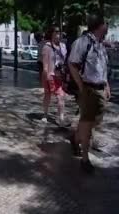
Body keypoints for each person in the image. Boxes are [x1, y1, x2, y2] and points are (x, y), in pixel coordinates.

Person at [68, 14, 111, 173]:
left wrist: (106, 85)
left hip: (100, 88)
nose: (108, 26)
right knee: (87, 124)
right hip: (88, 89)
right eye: (106, 23)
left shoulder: (100, 45)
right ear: (100, 26)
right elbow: (72, 64)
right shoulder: (82, 42)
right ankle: (85, 159)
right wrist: (81, 86)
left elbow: (102, 68)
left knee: (97, 120)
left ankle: (75, 137)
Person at [40, 26, 68, 125]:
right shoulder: (47, 47)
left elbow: (65, 61)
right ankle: (45, 114)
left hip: (60, 76)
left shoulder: (63, 46)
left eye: (59, 32)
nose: (58, 34)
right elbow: (45, 64)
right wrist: (46, 75)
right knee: (47, 95)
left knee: (61, 96)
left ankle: (61, 118)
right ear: (51, 34)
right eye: (56, 32)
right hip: (50, 75)